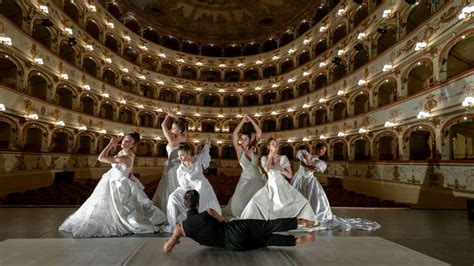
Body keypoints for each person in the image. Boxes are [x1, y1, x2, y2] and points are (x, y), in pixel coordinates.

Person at [59, 133, 166, 237]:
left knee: (118, 208)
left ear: (133, 145)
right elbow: (129, 170)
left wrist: (110, 144)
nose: (124, 142)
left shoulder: (126, 157)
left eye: (128, 141)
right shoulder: (124, 153)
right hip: (113, 180)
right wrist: (130, 174)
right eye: (124, 139)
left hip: (118, 184)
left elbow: (101, 158)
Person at [164, 190, 315, 252]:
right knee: (268, 225)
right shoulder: (208, 212)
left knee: (268, 241)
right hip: (237, 229)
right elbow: (222, 221)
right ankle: (300, 222)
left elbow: (166, 248)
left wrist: (176, 240)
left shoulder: (180, 228)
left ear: (184, 205)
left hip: (233, 245)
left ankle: (296, 241)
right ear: (198, 203)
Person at [292, 144, 381, 231]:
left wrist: (311, 166)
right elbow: (303, 164)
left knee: (314, 198)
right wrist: (308, 164)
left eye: (324, 151)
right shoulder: (305, 153)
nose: (323, 152)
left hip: (309, 180)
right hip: (299, 178)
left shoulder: (320, 162)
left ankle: (310, 217)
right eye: (322, 150)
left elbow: (314, 169)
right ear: (317, 149)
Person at [240, 138, 316, 226]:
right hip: (270, 186)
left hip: (283, 185)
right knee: (255, 203)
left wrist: (281, 169)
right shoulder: (264, 158)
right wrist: (270, 156)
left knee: (303, 202)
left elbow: (290, 175)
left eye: (277, 144)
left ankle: (303, 220)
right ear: (268, 146)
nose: (275, 145)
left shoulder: (283, 158)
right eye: (273, 144)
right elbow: (266, 169)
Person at [166, 142, 221, 230]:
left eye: (182, 155)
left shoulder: (197, 161)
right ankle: (172, 225)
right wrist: (185, 172)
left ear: (188, 153)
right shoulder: (180, 169)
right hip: (186, 187)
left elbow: (195, 174)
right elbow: (183, 184)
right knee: (172, 197)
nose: (180, 158)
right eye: (179, 155)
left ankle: (199, 220)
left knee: (199, 196)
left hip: (201, 186)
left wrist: (207, 146)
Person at [222, 114, 266, 218]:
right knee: (239, 202)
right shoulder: (239, 151)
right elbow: (234, 134)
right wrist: (243, 120)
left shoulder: (253, 148)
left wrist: (250, 120)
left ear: (250, 140)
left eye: (246, 138)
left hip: (258, 178)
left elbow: (259, 132)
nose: (243, 140)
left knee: (258, 199)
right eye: (242, 138)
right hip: (246, 179)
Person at [152, 107, 188, 213]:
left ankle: (169, 211)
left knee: (169, 188)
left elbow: (163, 125)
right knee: (179, 187)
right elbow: (183, 126)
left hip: (171, 168)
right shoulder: (184, 137)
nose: (171, 129)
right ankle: (179, 210)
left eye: (173, 128)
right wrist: (174, 115)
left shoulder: (172, 139)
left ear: (178, 130)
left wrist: (168, 116)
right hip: (180, 167)